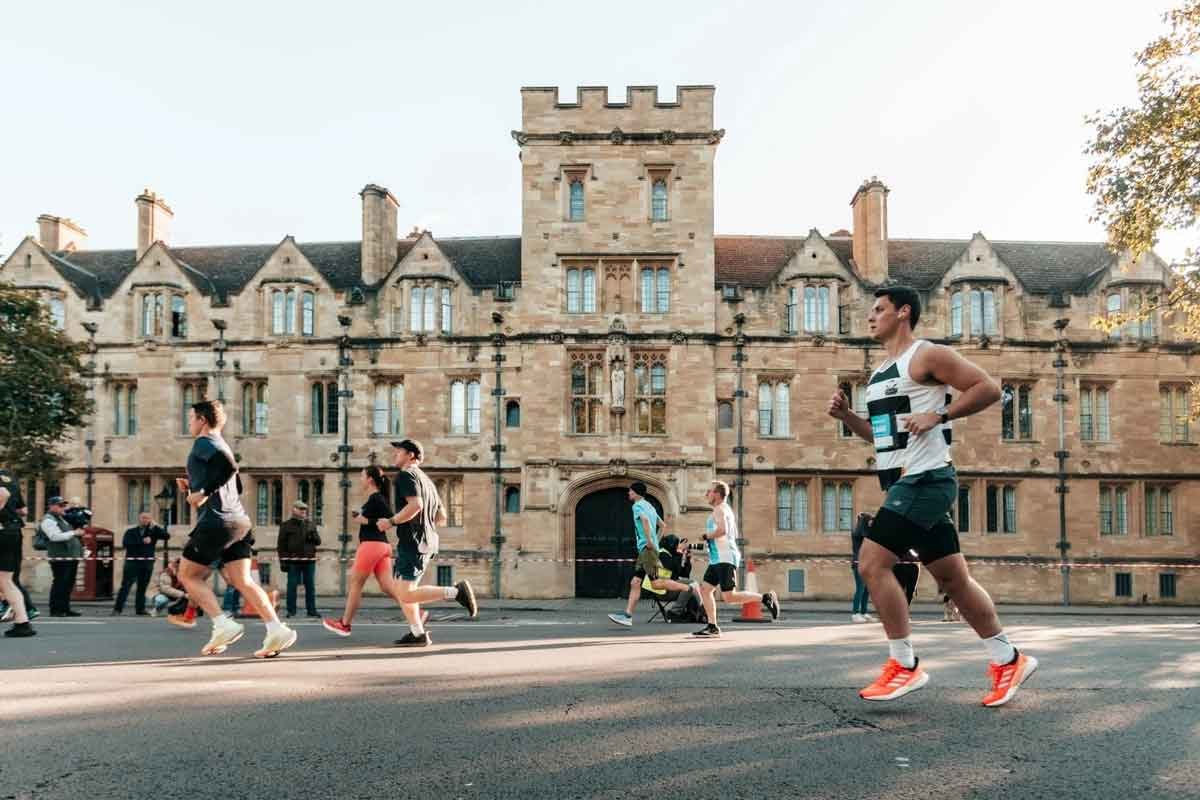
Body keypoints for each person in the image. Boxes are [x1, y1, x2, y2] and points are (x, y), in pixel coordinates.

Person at [828, 285, 1037, 707]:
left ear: (903, 313)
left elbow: (989, 388)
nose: (871, 316)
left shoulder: (926, 355)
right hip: (904, 481)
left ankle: (903, 664)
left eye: (879, 309)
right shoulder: (879, 374)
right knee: (953, 580)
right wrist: (849, 417)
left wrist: (939, 413)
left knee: (872, 564)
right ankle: (1007, 657)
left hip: (925, 480)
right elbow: (885, 440)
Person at [174, 399, 297, 657]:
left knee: (189, 575)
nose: (189, 422)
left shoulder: (204, 442)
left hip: (216, 521)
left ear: (203, 420)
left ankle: (222, 623)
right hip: (238, 521)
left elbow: (229, 468)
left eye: (191, 418)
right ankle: (276, 629)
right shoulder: (222, 444)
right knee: (243, 580)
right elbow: (235, 485)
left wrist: (204, 491)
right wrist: (195, 486)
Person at [374, 439, 478, 647]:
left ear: (411, 455)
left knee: (405, 592)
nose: (395, 454)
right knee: (403, 588)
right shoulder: (427, 481)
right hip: (425, 540)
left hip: (414, 541)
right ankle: (417, 633)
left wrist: (391, 521)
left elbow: (416, 505)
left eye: (399, 451)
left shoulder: (406, 475)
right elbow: (441, 516)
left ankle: (456, 592)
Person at [691, 480, 780, 637]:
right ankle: (712, 626)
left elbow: (722, 530)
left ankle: (766, 598)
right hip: (717, 558)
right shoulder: (724, 510)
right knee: (705, 590)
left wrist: (705, 535)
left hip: (724, 557)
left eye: (709, 491)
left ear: (717, 494)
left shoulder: (719, 509)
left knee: (729, 597)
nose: (706, 494)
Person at [607, 482, 693, 627]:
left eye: (630, 491)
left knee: (656, 583)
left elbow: (645, 521)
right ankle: (627, 615)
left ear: (636, 493)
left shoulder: (637, 506)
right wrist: (656, 543)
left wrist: (649, 542)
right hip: (647, 550)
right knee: (635, 582)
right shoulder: (650, 506)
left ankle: (687, 589)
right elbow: (663, 525)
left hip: (646, 549)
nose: (628, 493)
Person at [0, 468, 35, 637]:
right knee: (6, 581)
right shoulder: (9, 477)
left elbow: (3, 493)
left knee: (5, 581)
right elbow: (23, 511)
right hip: (13, 532)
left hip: (2, 532)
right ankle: (22, 622)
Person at [112, 512, 169, 615]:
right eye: (143, 518)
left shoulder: (153, 531)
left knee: (142, 587)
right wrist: (142, 541)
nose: (145, 520)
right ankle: (117, 609)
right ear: (139, 519)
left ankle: (140, 609)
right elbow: (126, 544)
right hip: (132, 563)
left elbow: (166, 536)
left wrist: (156, 526)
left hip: (147, 563)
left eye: (148, 518)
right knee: (125, 586)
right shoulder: (131, 532)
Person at [278, 500, 321, 618]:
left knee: (310, 586)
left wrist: (313, 535)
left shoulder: (311, 524)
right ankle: (291, 611)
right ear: (294, 510)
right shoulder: (286, 525)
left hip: (309, 560)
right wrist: (283, 561)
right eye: (301, 509)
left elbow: (318, 542)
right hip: (293, 561)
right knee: (291, 586)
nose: (303, 512)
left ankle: (311, 610)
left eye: (304, 510)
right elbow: (281, 545)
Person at [41, 496, 83, 617]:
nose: (63, 507)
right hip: (59, 556)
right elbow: (54, 536)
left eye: (63, 505)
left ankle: (65, 608)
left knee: (68, 583)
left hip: (70, 556)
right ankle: (55, 609)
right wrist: (74, 533)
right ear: (51, 506)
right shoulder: (48, 519)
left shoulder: (62, 518)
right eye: (60, 505)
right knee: (60, 583)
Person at [850, 512, 873, 623]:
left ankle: (863, 612)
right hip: (859, 562)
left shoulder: (863, 530)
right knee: (860, 588)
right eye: (869, 521)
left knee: (866, 589)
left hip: (866, 562)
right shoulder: (859, 531)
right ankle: (855, 613)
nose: (870, 523)